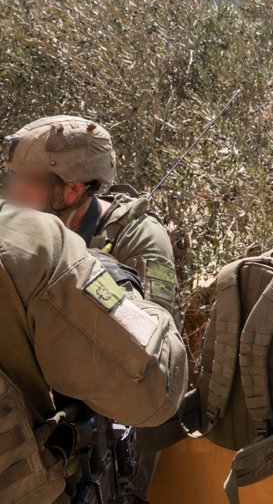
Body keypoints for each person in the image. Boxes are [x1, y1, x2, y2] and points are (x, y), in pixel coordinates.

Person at [3, 116, 180, 502]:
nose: (11, 191)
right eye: (10, 176)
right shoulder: (28, 239)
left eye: (26, 181)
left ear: (73, 188)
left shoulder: (137, 237)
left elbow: (154, 343)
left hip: (121, 418)